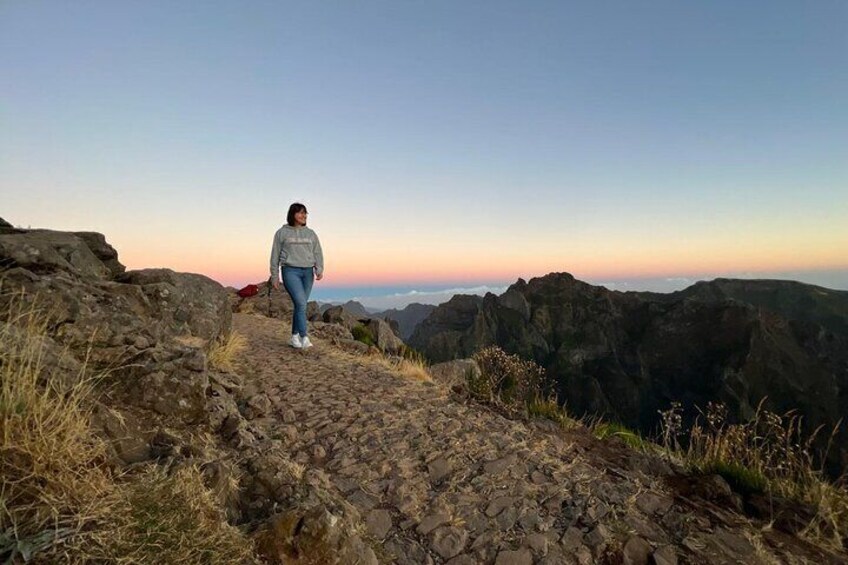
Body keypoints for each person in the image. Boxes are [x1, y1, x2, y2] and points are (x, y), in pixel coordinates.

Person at [270, 203, 324, 349]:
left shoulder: (311, 233)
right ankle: (304, 337)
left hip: (307, 273)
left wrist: (319, 268)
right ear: (292, 214)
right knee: (301, 304)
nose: (304, 215)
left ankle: (294, 337)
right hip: (290, 271)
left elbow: (317, 252)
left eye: (305, 213)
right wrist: (275, 276)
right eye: (300, 213)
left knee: (300, 306)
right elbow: (274, 254)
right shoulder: (282, 233)